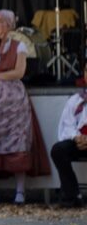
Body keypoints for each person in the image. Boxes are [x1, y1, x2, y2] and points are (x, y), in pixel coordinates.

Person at [0, 10, 36, 205]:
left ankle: (20, 190)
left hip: (12, 95)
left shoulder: (19, 46)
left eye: (1, 22)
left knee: (16, 138)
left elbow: (19, 72)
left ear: (10, 26)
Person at [50, 68, 87, 208]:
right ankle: (72, 195)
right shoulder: (76, 100)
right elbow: (67, 123)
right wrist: (77, 138)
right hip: (79, 141)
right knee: (58, 150)